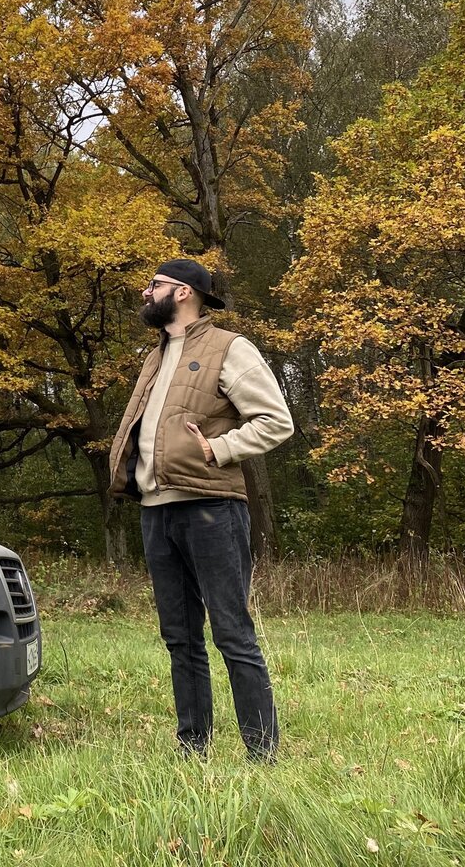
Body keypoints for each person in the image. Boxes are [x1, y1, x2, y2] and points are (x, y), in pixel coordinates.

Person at [109, 259, 294, 761]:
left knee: (231, 631)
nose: (146, 293)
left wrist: (220, 449)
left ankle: (262, 754)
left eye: (156, 285)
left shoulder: (229, 348)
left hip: (211, 509)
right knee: (179, 637)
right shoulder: (155, 356)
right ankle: (194, 749)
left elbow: (277, 421)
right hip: (156, 509)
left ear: (184, 293)